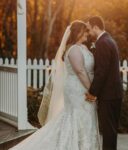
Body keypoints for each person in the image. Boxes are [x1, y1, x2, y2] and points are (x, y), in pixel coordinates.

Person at [9, 20, 101, 150]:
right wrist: (92, 90)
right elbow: (80, 71)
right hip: (77, 89)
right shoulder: (73, 49)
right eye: (84, 31)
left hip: (84, 88)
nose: (87, 33)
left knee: (86, 117)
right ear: (78, 32)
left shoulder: (83, 47)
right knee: (76, 117)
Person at [86, 16, 123, 150]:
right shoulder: (109, 40)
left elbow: (102, 71)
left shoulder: (102, 43)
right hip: (114, 93)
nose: (88, 33)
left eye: (89, 29)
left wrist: (92, 92)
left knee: (108, 132)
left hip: (108, 95)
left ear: (96, 27)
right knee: (110, 132)